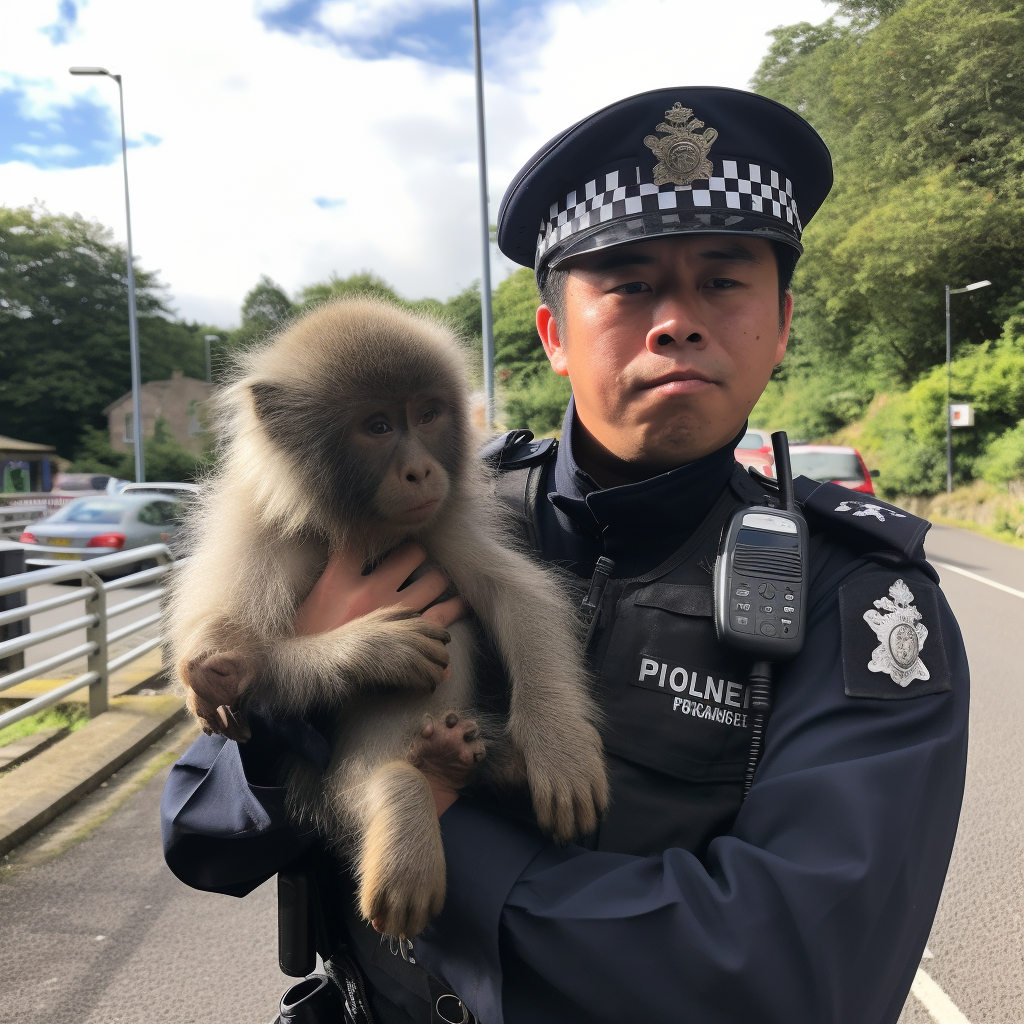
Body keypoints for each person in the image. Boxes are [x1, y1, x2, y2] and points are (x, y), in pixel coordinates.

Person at [162, 87, 969, 1024]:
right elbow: (203, 841)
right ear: (553, 335)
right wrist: (290, 697)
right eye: (626, 285)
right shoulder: (407, 522)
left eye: (723, 281)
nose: (676, 322)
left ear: (781, 324)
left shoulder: (857, 596)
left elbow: (788, 974)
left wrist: (444, 826)